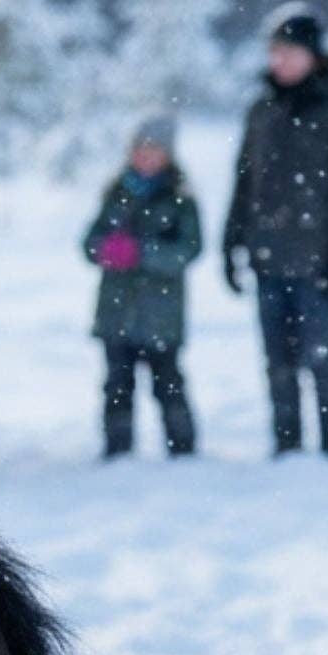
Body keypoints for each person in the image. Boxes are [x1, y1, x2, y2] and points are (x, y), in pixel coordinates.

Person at [222, 3, 328, 458]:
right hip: (267, 256)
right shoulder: (261, 111)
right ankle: (286, 445)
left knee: (320, 357)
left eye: (289, 52)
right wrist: (230, 241)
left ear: (312, 55)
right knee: (277, 362)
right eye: (274, 52)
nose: (280, 61)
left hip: (319, 260)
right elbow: (244, 181)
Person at [82, 110, 202, 459]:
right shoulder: (117, 192)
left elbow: (188, 249)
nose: (145, 157)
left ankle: (183, 450)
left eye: (153, 150)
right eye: (140, 149)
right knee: (117, 386)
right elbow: (89, 241)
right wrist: (104, 249)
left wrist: (143, 254)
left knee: (169, 385)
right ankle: (117, 450)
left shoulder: (181, 197)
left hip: (160, 315)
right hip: (116, 313)